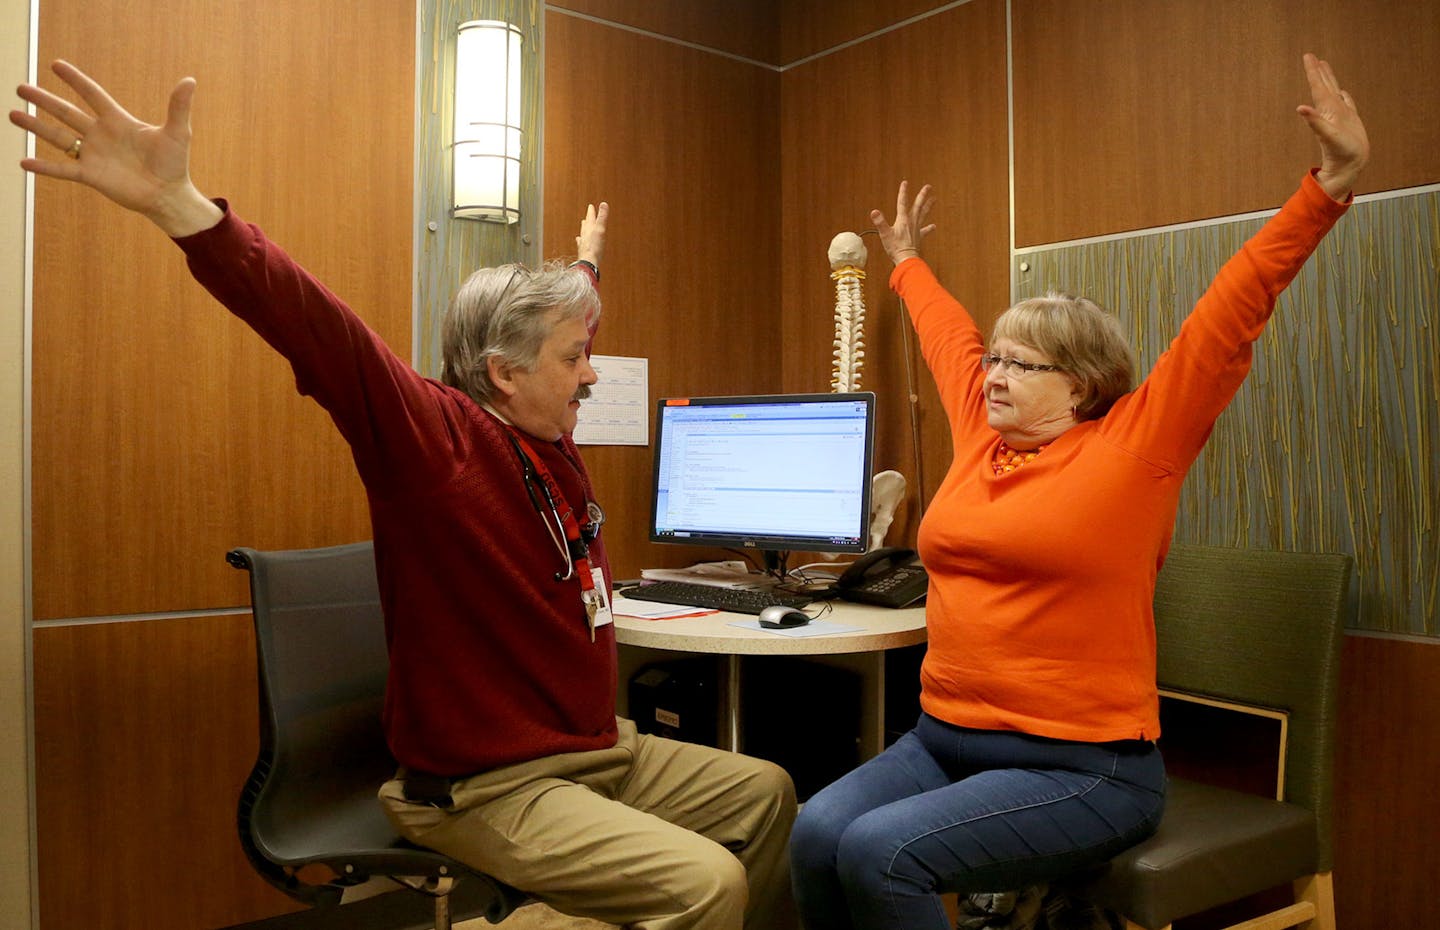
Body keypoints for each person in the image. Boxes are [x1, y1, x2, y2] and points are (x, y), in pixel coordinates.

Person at [10, 60, 796, 930]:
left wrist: (586, 267)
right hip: (487, 785)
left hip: (599, 750)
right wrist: (181, 208)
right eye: (574, 358)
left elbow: (565, 329)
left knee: (768, 794)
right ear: (502, 373)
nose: (590, 373)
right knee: (704, 887)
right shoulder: (438, 443)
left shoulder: (548, 434)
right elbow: (319, 329)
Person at [788, 52, 1370, 930]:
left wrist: (1329, 187)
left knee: (882, 852)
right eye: (999, 358)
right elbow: (950, 337)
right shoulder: (983, 432)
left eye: (1024, 364)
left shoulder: (1135, 447)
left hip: (1086, 770)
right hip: (944, 740)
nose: (995, 375)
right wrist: (904, 262)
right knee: (815, 831)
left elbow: (1230, 311)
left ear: (1085, 384)